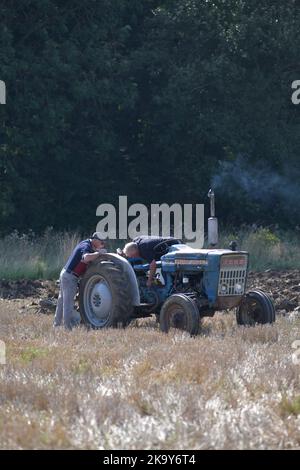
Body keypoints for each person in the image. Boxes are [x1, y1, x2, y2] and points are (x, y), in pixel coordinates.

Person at [54, 232, 107, 329]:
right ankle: (67, 327)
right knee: (68, 303)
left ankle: (57, 325)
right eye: (102, 243)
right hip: (70, 276)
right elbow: (86, 258)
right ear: (95, 240)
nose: (102, 245)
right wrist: (99, 253)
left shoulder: (89, 245)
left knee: (62, 302)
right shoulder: (86, 245)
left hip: (67, 274)